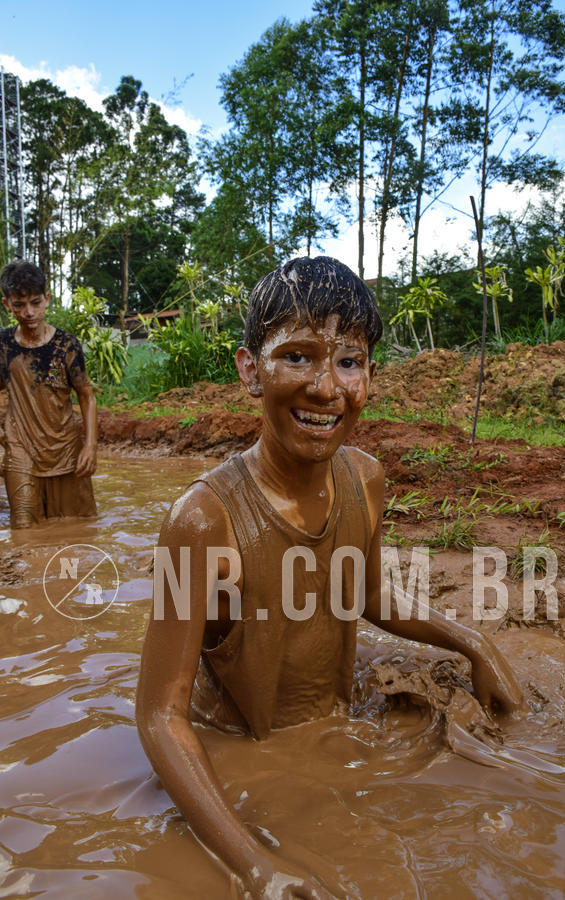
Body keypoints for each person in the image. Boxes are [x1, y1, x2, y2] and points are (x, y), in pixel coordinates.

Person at [136, 256, 522, 899]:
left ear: (369, 376)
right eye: (297, 356)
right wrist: (254, 866)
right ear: (249, 370)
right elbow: (159, 716)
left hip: (338, 724)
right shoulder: (202, 520)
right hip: (237, 744)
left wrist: (473, 643)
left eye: (348, 361)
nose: (325, 388)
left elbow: (366, 592)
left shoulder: (366, 479)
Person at [0, 259, 97, 528]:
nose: (29, 312)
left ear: (47, 299)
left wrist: (90, 446)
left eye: (35, 302)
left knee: (79, 525)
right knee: (23, 529)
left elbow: (86, 396)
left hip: (66, 449)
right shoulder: (3, 345)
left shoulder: (66, 345)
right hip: (21, 449)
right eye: (19, 305)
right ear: (7, 305)